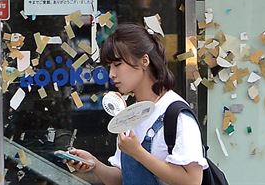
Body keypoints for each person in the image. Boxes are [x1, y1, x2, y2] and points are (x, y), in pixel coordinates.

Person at [66, 23, 208, 185]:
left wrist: (138, 153)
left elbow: (193, 180)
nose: (112, 74)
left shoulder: (175, 113)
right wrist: (94, 164)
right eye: (109, 66)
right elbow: (123, 178)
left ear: (144, 61)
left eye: (118, 64)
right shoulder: (131, 113)